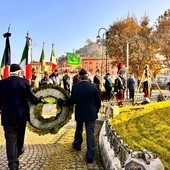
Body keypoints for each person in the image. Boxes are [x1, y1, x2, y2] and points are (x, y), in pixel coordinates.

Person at [0, 64, 41, 170]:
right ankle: (18, 151)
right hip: (21, 116)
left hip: (7, 116)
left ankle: (13, 164)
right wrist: (39, 99)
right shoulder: (24, 82)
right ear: (19, 72)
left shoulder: (2, 83)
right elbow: (32, 98)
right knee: (19, 137)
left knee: (10, 140)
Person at [59, 68, 101, 164]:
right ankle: (90, 156)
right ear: (87, 76)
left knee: (79, 129)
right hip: (91, 113)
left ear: (79, 77)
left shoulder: (75, 87)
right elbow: (98, 102)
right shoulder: (94, 86)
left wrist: (63, 102)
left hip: (80, 112)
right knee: (90, 133)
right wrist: (96, 110)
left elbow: (72, 101)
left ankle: (77, 145)